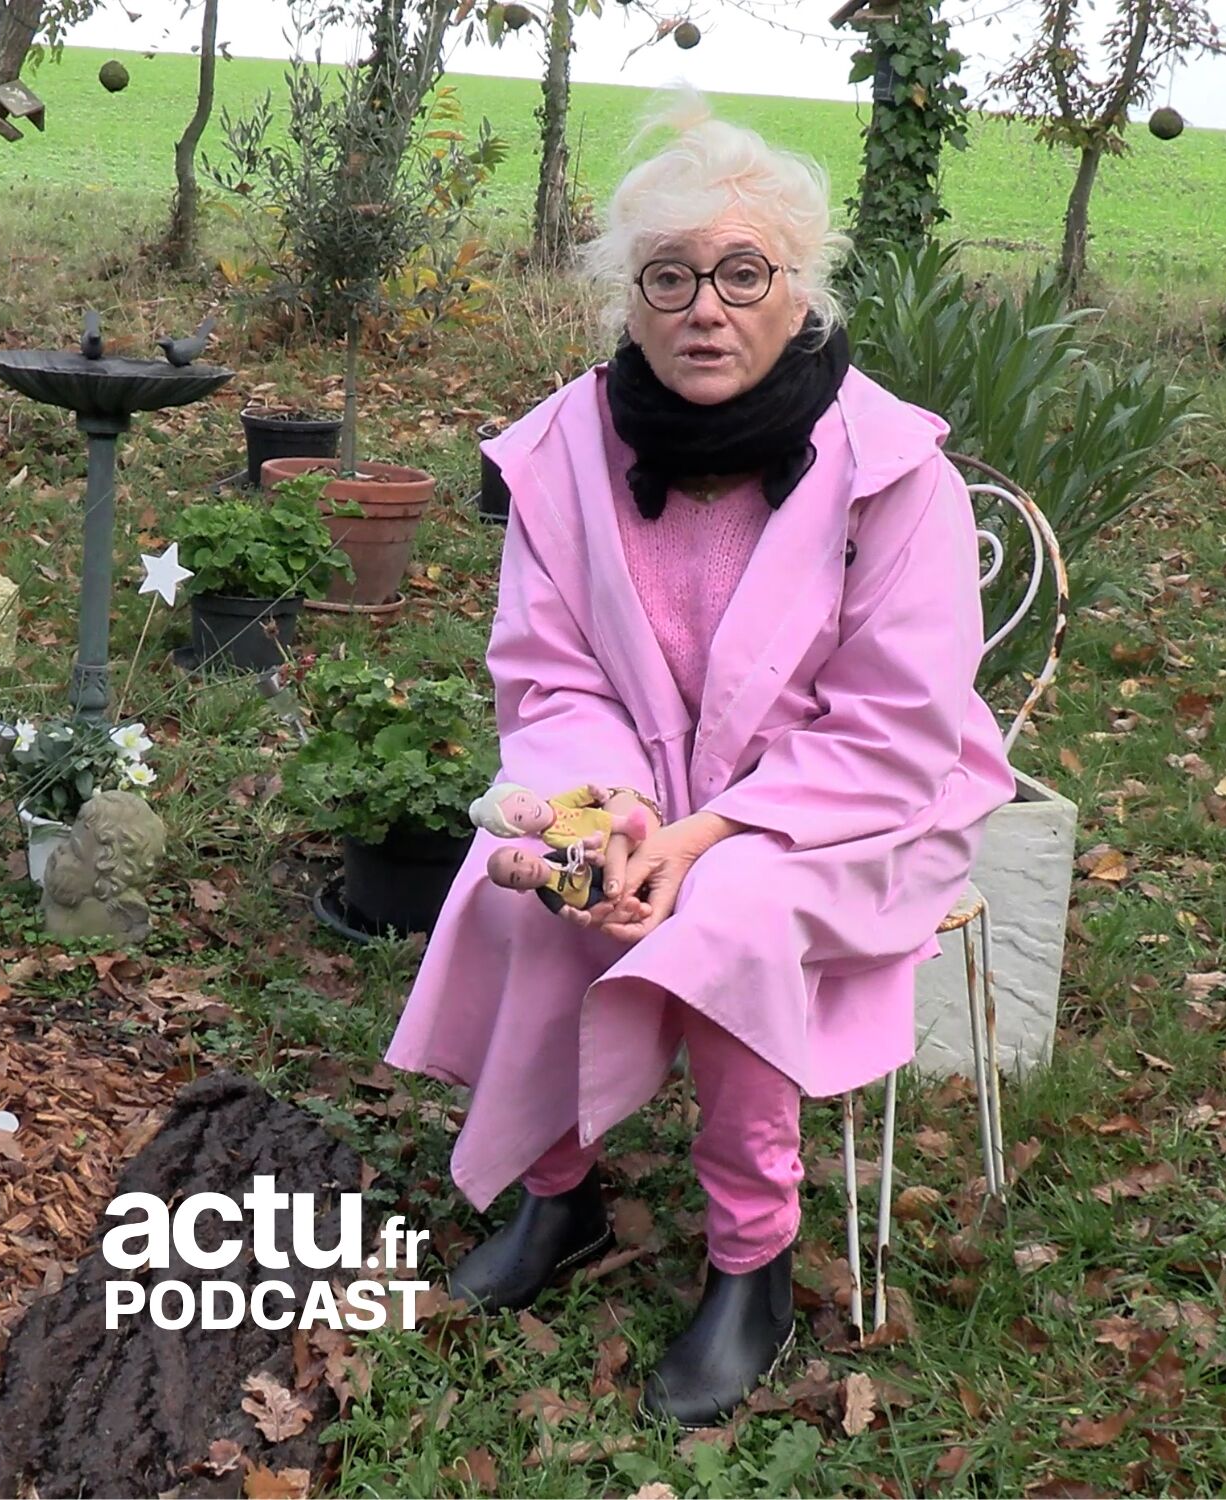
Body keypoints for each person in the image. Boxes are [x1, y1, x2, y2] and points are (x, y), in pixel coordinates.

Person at [385, 91, 1016, 1428]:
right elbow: (548, 671)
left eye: (742, 274)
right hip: (641, 792)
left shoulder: (893, 469)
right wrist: (603, 809)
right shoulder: (569, 449)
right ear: (631, 297)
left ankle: (752, 1262)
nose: (704, 309)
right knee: (541, 885)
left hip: (843, 811)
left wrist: (703, 839)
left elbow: (897, 727)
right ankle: (557, 1190)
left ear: (801, 291)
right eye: (668, 278)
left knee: (720, 924)